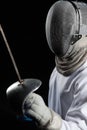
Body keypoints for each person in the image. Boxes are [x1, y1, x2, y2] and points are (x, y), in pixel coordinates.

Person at [22, 0, 87, 130]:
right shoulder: (61, 65)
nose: (59, 34)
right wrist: (40, 113)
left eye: (66, 30)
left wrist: (48, 120)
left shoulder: (85, 77)